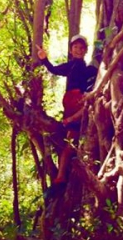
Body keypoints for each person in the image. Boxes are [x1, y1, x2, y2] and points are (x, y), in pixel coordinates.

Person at [37, 34, 97, 184]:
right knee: (71, 138)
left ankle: (65, 173)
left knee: (76, 137)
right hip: (71, 101)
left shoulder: (88, 68)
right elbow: (54, 69)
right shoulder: (70, 65)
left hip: (81, 100)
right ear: (71, 50)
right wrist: (44, 58)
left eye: (81, 48)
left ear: (85, 51)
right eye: (75, 47)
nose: (78, 50)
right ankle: (61, 175)